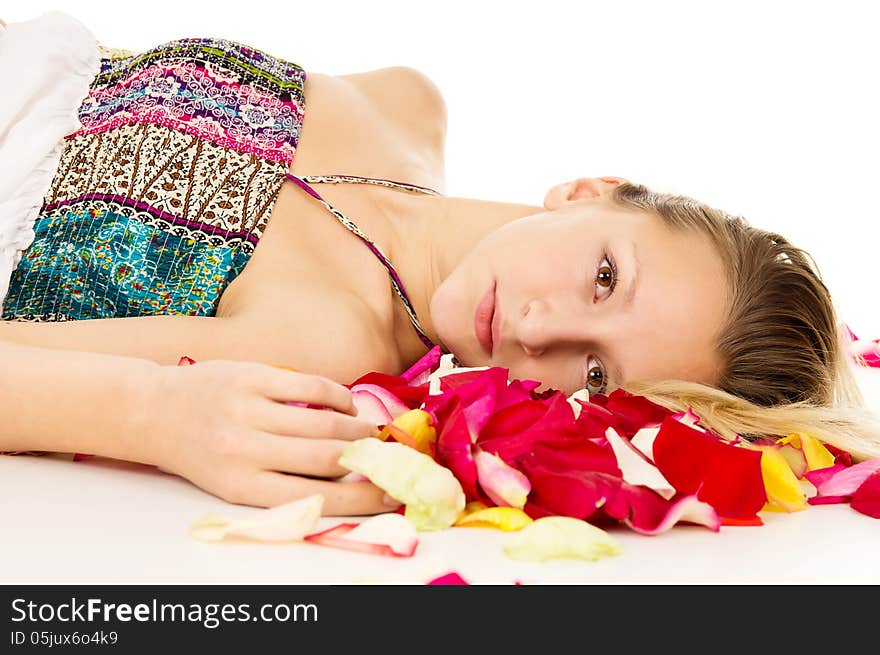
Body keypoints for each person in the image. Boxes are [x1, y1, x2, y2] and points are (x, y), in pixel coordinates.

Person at [1, 13, 877, 511]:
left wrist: (153, 414)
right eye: (605, 276)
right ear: (593, 189)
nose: (540, 330)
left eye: (598, 374)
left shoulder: (318, 347)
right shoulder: (408, 104)